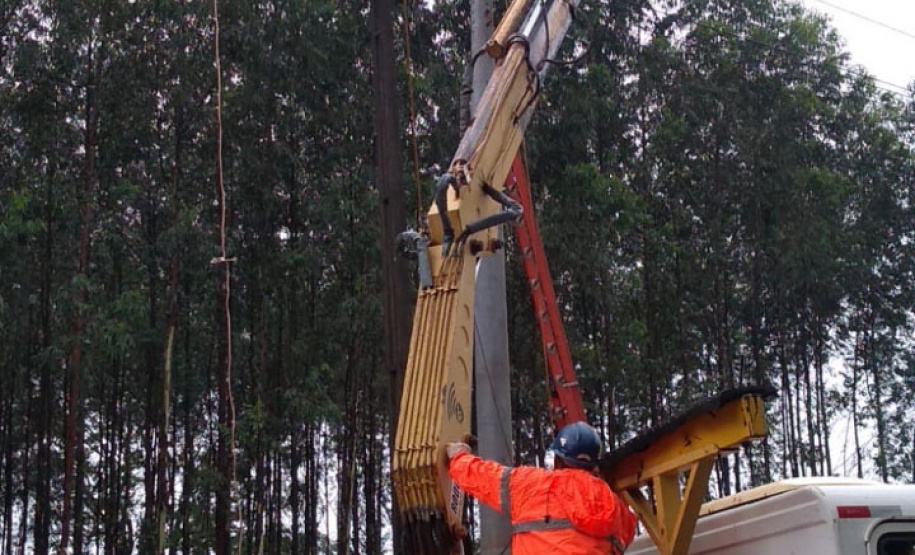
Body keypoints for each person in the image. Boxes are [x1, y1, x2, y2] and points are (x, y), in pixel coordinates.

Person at [447, 422, 637, 554]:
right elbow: (626, 534)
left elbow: (484, 478)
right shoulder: (616, 508)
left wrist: (458, 458)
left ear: (557, 460)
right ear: (594, 466)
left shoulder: (533, 485)